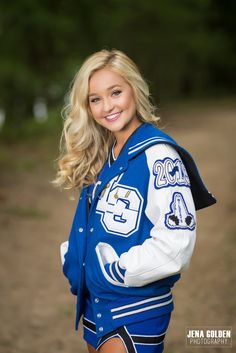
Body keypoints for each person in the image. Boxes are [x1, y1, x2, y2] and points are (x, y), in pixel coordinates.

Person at [54, 49, 216, 353]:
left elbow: (176, 244)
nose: (107, 106)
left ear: (135, 90)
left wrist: (115, 270)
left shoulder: (159, 156)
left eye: (115, 92)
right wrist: (74, 260)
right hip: (96, 306)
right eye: (95, 99)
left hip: (136, 310)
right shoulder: (104, 156)